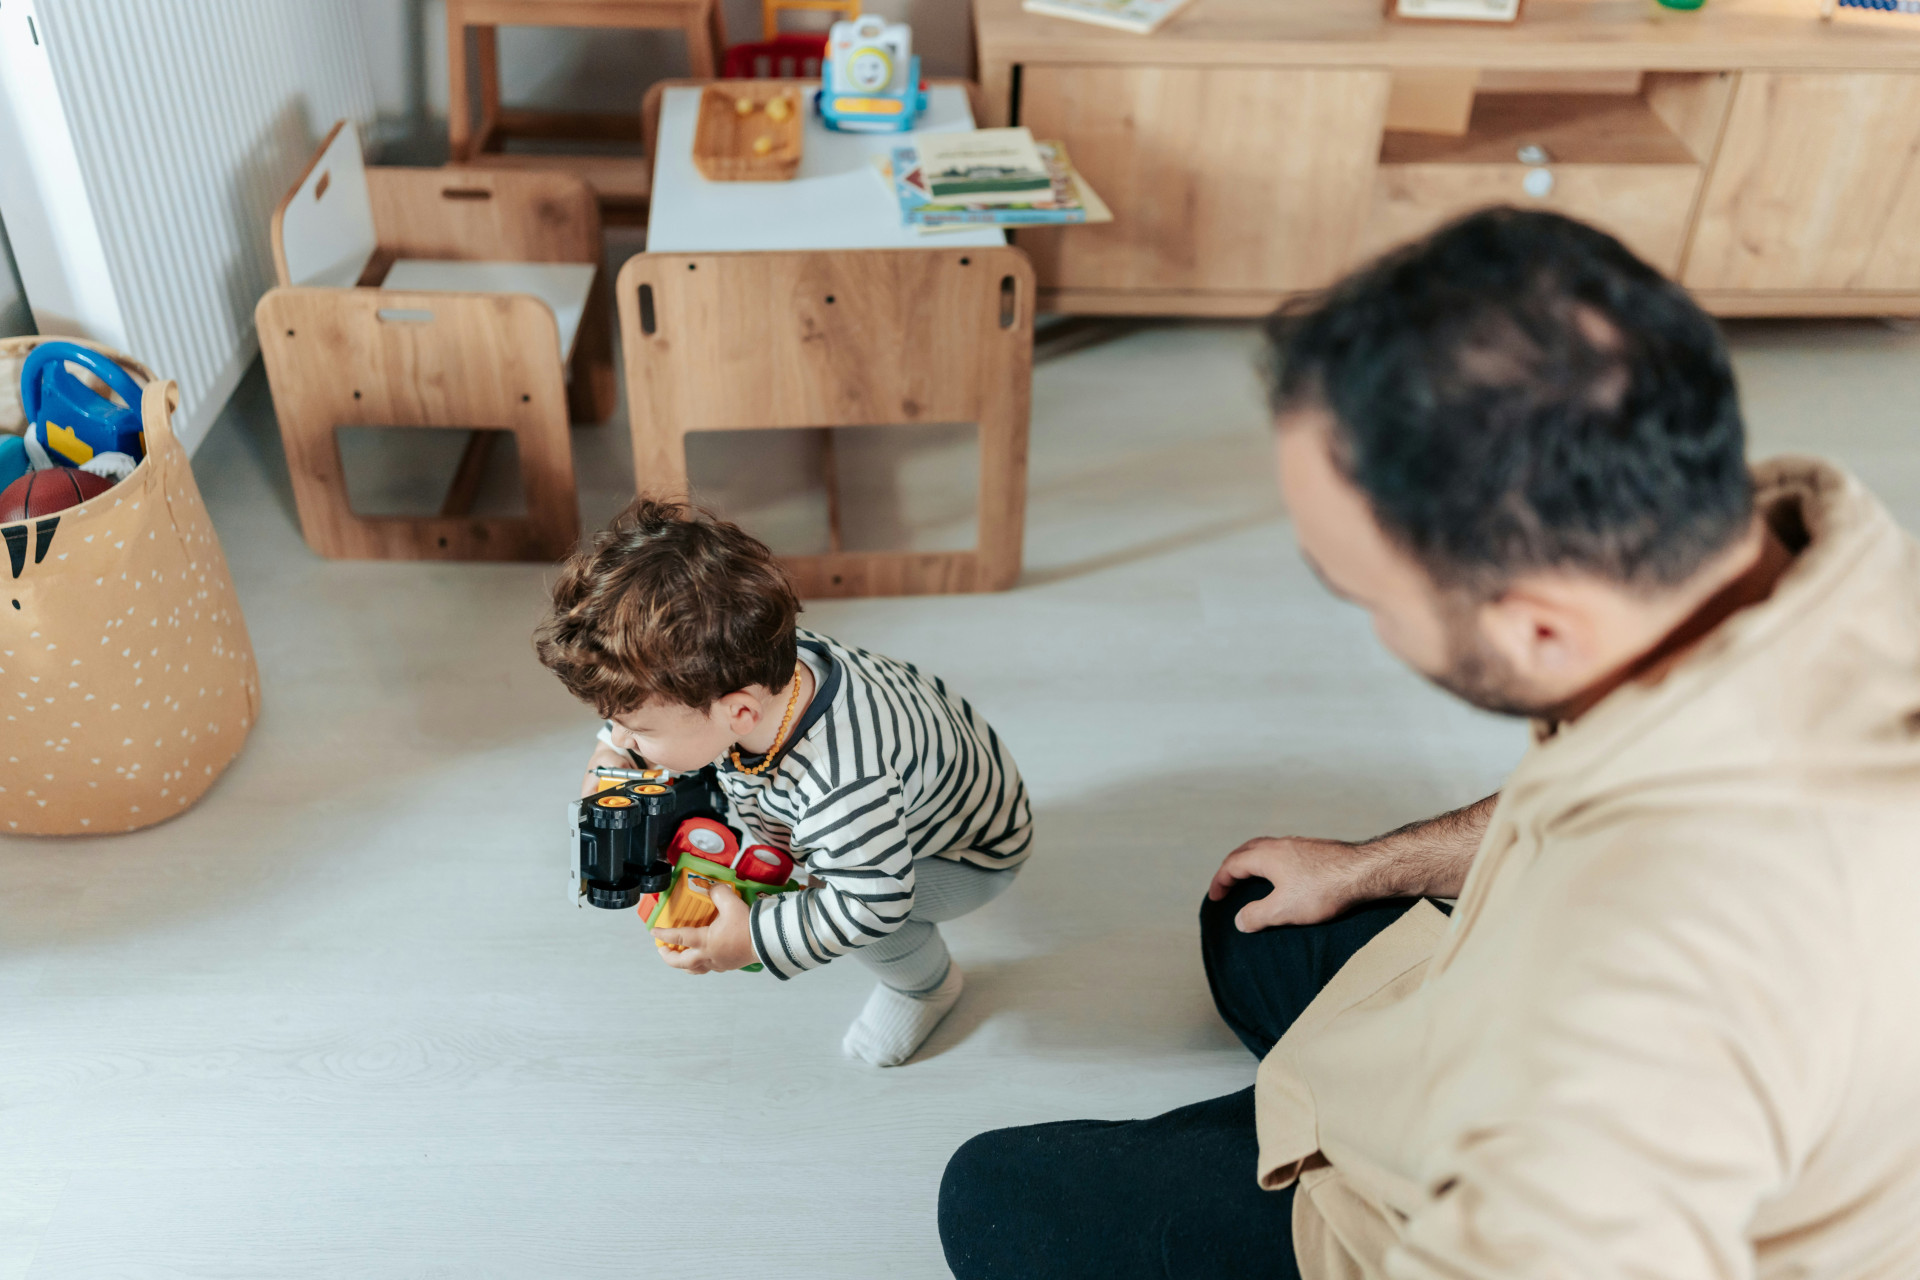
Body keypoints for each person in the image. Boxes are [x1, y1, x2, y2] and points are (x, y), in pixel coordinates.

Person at [939, 208, 1920, 1277]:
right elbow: (1583, 789)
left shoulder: (1653, 1006)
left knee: (991, 1199)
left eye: (1364, 595)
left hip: (1492, 1164)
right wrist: (1372, 866)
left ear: (1538, 629)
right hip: (1494, 1013)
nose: (1369, 626)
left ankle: (1321, 1153)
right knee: (1251, 918)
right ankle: (1321, 1094)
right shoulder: (1797, 559)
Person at [535, 500, 1032, 1066]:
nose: (622, 737)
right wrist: (613, 753)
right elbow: (660, 703)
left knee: (850, 899)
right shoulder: (753, 653)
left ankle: (925, 987)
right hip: (931, 780)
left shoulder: (839, 786)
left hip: (968, 853)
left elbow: (874, 903)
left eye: (636, 728)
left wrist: (754, 938)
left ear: (739, 713)